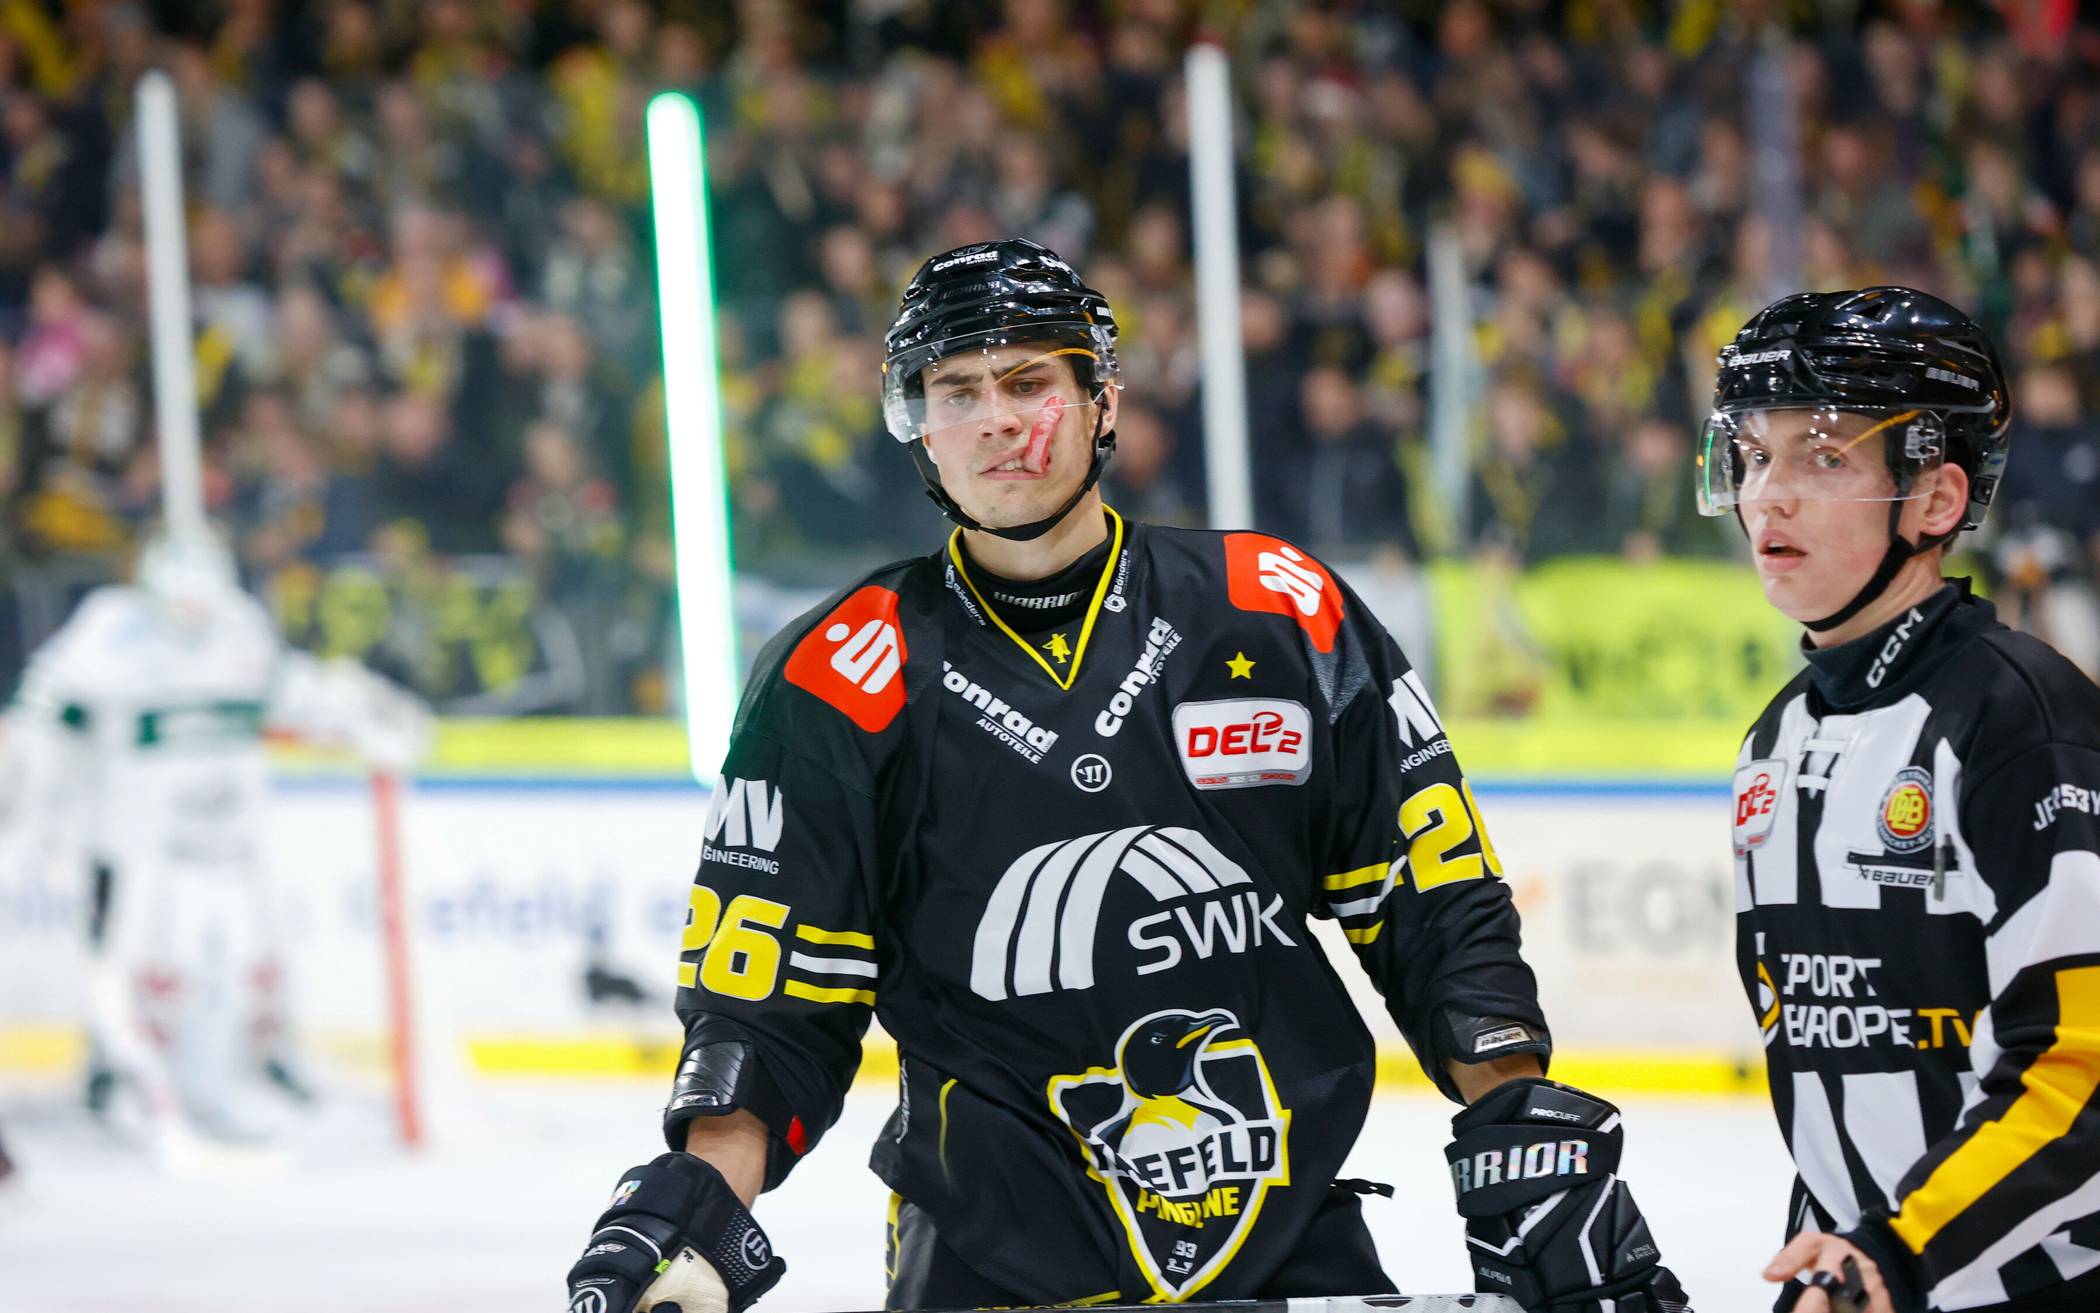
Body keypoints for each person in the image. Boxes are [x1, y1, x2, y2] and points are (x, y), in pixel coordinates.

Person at [565, 240, 1691, 1313]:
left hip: (1284, 1236)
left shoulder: (1275, 610)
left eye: (1028, 381)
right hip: (990, 1257)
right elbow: (767, 1004)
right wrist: (697, 1207)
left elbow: (1434, 901)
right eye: (957, 391)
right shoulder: (839, 676)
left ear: (1102, 400)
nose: (998, 419)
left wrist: (1520, 1124)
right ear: (920, 427)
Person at [1696, 287, 2100, 1313]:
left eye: (1824, 457)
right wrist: (1830, 1262)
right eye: (1755, 455)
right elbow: (1831, 1080)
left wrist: (1893, 1250)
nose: (1768, 496)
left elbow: (2081, 1071)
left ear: (1934, 499)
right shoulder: (1773, 742)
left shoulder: (2022, 721)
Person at [0, 528, 431, 1154]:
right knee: (130, 965)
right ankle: (116, 1079)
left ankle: (248, 1071)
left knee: (244, 962)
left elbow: (292, 690)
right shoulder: (113, 629)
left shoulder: (238, 627)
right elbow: (43, 707)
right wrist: (34, 792)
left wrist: (362, 707)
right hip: (133, 845)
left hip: (230, 844)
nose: (196, 614)